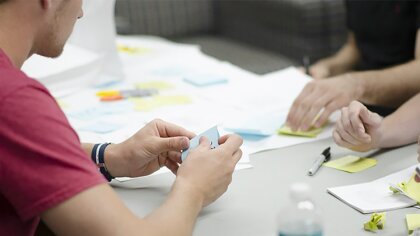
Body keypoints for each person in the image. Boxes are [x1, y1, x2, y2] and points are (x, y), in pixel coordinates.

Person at [0, 0, 243, 235]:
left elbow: (18, 153)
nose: (81, 12)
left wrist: (110, 157)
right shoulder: (14, 101)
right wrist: (195, 188)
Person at [286, 0, 420, 132]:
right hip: (360, 113)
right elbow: (355, 48)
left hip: (407, 119)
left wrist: (356, 84)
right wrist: (327, 68)